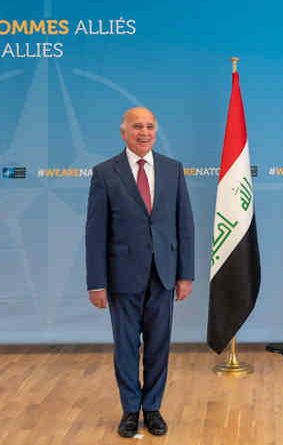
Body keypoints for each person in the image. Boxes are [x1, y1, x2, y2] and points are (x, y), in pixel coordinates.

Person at [86, 107, 194, 437]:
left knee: (159, 346)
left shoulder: (173, 170)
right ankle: (131, 410)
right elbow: (95, 232)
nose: (143, 132)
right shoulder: (105, 173)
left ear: (155, 132)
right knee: (126, 347)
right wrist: (96, 283)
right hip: (122, 278)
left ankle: (154, 408)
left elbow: (184, 225)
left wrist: (185, 274)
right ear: (123, 132)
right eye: (137, 127)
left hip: (164, 274)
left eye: (149, 127)